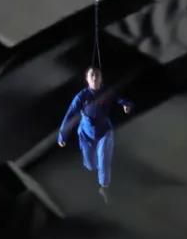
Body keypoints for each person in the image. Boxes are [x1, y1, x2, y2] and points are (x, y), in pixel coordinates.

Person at [57, 66, 133, 204]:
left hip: (105, 131)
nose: (94, 77)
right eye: (91, 75)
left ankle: (104, 187)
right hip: (86, 133)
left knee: (104, 158)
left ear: (101, 78)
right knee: (91, 165)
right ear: (87, 79)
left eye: (97, 74)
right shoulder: (81, 96)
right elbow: (70, 114)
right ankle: (95, 165)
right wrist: (62, 135)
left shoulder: (107, 91)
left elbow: (119, 98)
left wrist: (126, 104)